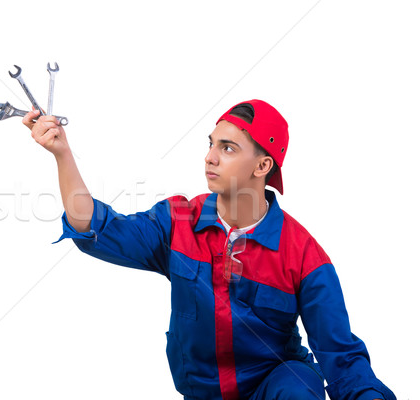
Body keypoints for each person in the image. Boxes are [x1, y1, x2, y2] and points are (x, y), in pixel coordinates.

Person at [21, 99, 396, 400]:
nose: (210, 157)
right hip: (203, 392)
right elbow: (96, 226)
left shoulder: (302, 255)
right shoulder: (178, 222)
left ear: (263, 165)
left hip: (276, 385)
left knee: (299, 387)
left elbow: (342, 356)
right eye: (212, 144)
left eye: (228, 148)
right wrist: (62, 154)